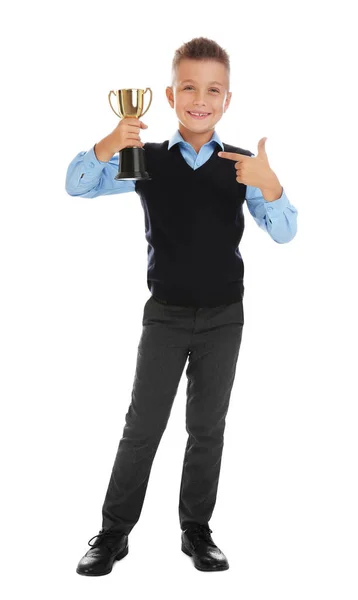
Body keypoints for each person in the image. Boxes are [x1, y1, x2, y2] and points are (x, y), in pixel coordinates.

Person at [65, 36, 298, 576]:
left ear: (227, 100)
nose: (200, 98)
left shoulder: (241, 165)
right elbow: (77, 186)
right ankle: (113, 532)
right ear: (170, 97)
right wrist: (108, 142)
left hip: (224, 318)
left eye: (212, 89)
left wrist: (272, 184)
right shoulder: (143, 161)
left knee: (207, 427)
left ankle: (196, 530)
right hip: (165, 314)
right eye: (188, 87)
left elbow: (285, 233)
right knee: (143, 425)